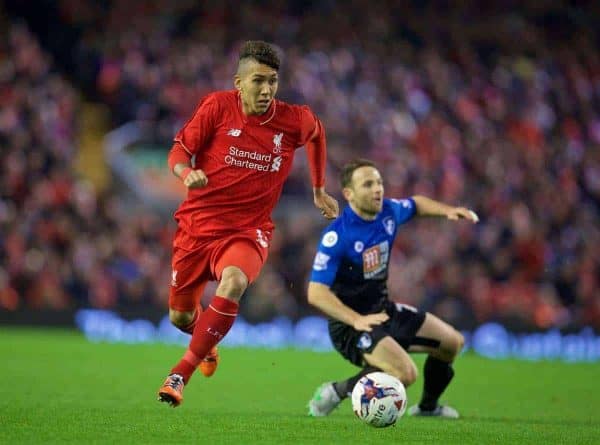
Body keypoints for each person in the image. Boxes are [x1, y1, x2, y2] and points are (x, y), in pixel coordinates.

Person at [158, 40, 339, 407]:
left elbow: (318, 134)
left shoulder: (292, 119)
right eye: (258, 80)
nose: (267, 89)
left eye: (273, 81)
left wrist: (319, 189)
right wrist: (185, 171)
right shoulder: (217, 107)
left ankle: (180, 373)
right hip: (198, 227)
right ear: (238, 83)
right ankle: (205, 345)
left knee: (235, 280)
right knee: (180, 316)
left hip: (247, 231)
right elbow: (179, 149)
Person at [306, 159, 478, 419]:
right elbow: (315, 292)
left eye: (379, 182)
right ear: (349, 194)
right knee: (404, 374)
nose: (378, 189)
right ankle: (336, 391)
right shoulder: (339, 236)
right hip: (350, 327)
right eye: (368, 184)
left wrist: (447, 211)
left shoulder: (388, 212)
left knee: (452, 343)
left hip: (383, 311)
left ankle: (428, 409)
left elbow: (417, 204)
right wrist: (356, 319)